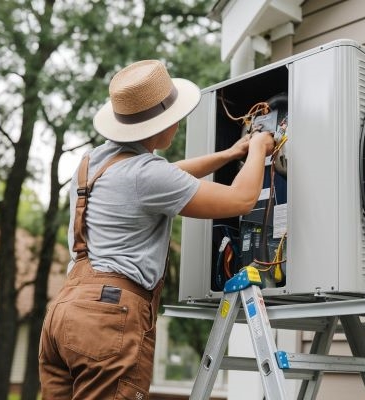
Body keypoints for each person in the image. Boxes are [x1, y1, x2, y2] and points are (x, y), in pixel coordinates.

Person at [38, 59, 275, 399]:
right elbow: (240, 199)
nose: (178, 122)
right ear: (160, 126)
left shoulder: (94, 162)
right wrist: (257, 149)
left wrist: (228, 153)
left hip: (64, 312)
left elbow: (167, 174)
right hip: (108, 318)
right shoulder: (145, 176)